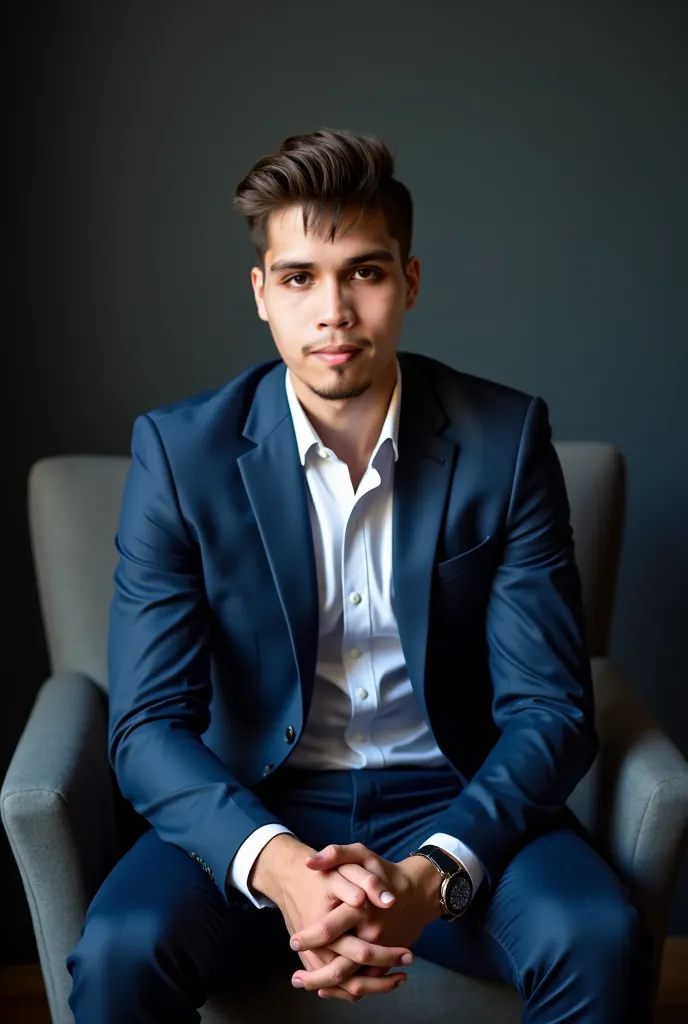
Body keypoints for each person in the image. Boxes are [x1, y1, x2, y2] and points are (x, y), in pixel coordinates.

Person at [66, 128, 650, 1022]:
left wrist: (437, 869)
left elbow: (551, 711)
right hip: (258, 802)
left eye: (365, 273)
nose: (333, 310)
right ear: (262, 294)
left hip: (454, 793)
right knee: (118, 952)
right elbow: (146, 726)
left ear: (408, 282)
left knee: (599, 936)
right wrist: (283, 865)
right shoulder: (180, 453)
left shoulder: (505, 439)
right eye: (300, 277)